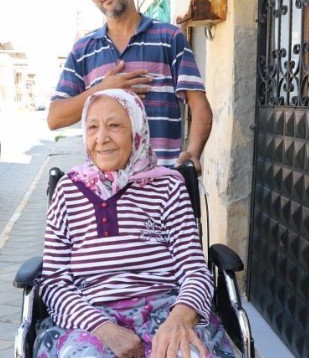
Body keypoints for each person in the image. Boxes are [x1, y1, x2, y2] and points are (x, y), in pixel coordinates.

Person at [34, 89, 234, 358]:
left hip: (168, 308)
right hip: (90, 316)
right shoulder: (68, 191)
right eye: (92, 127)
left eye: (114, 125)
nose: (101, 138)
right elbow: (54, 281)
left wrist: (179, 320)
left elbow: (195, 271)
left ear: (136, 130)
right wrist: (103, 329)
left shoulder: (168, 187)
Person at [48, 0, 212, 173]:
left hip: (161, 186)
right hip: (103, 193)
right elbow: (54, 118)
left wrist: (193, 153)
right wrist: (102, 90)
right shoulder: (82, 50)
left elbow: (199, 105)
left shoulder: (170, 38)